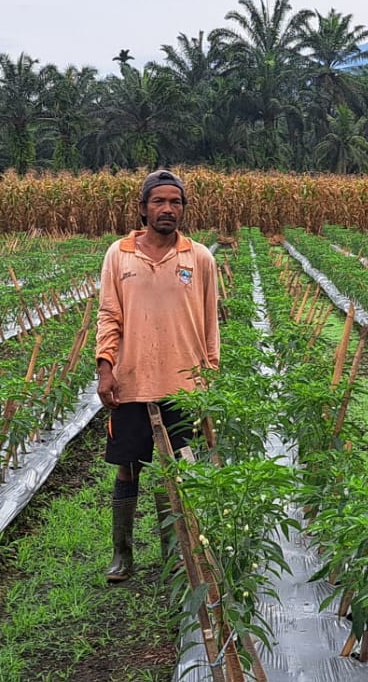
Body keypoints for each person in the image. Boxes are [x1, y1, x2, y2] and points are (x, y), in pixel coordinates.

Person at [95, 169, 220, 583]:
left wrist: (209, 377)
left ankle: (176, 552)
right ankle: (122, 553)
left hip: (183, 385)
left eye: (175, 202)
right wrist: (105, 368)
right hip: (132, 382)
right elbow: (109, 316)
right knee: (128, 466)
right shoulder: (120, 254)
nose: (167, 209)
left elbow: (209, 323)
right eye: (159, 201)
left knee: (179, 470)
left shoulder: (198, 257)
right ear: (144, 207)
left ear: (184, 208)